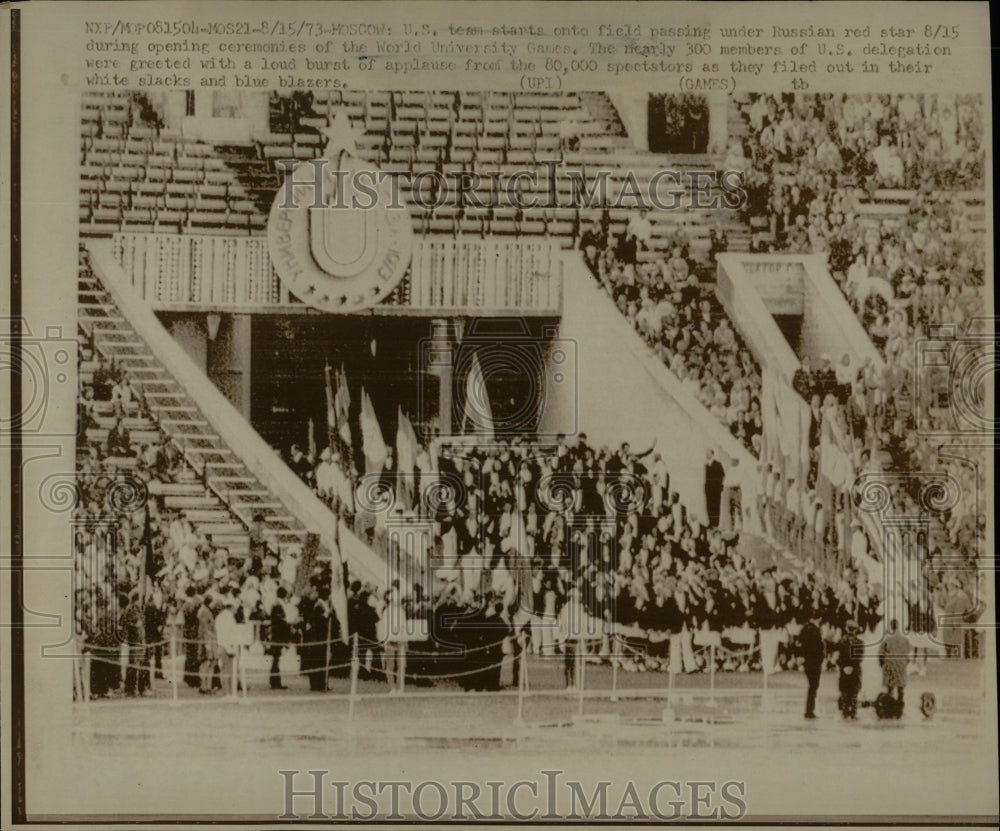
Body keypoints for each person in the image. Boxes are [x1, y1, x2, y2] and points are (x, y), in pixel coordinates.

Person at [879, 618, 911, 712]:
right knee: (900, 688)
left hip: (890, 665)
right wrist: (904, 663)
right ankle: (900, 706)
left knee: (890, 687)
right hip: (901, 665)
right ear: (898, 626)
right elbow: (908, 653)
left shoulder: (887, 639)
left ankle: (890, 706)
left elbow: (881, 653)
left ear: (891, 627)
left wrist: (882, 664)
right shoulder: (904, 639)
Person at [799, 614, 825, 719]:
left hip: (811, 661)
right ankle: (809, 711)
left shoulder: (807, 628)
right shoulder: (812, 629)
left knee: (813, 686)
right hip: (813, 661)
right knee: (813, 686)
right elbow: (815, 646)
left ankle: (810, 710)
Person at [837, 619, 863, 719]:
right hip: (855, 669)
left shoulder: (841, 641)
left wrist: (843, 665)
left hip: (844, 669)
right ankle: (853, 712)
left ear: (846, 628)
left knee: (844, 691)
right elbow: (860, 657)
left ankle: (845, 711)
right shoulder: (860, 642)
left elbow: (839, 656)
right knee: (854, 691)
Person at [268, 587, 292, 690]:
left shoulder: (278, 604)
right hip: (278, 636)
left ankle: (275, 681)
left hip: (278, 635)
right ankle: (275, 681)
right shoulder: (277, 605)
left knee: (276, 659)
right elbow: (279, 622)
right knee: (276, 659)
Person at [196, 595, 218, 695]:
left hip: (210, 639)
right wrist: (207, 643)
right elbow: (204, 628)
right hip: (207, 640)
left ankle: (208, 685)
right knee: (205, 663)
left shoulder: (205, 610)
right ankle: (204, 686)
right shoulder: (204, 611)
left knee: (211, 663)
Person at [704, 449, 725, 529]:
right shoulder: (706, 465)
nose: (706, 455)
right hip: (709, 490)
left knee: (715, 506)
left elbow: (722, 475)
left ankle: (715, 524)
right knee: (709, 506)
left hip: (715, 490)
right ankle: (711, 523)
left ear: (712, 454)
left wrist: (718, 487)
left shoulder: (717, 464)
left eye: (707, 453)